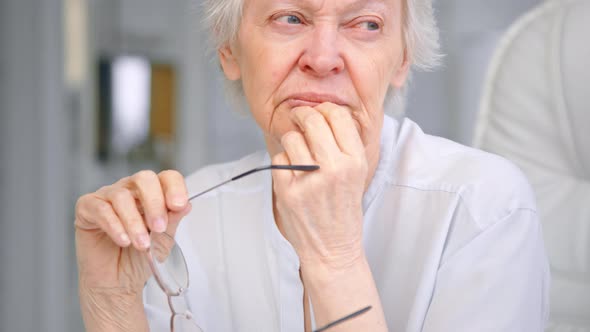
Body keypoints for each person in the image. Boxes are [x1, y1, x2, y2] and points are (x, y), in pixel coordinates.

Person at [75, 0, 550, 331]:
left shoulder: (487, 210)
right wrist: (112, 302)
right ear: (229, 51)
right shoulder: (182, 221)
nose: (323, 60)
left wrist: (334, 260)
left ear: (402, 58)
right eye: (289, 17)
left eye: (366, 24)